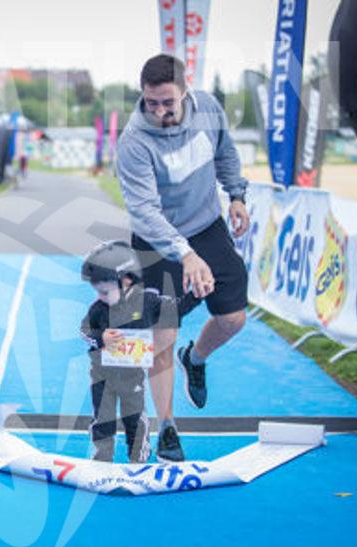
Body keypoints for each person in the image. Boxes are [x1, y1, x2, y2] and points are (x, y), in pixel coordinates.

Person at [116, 54, 251, 462]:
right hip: (157, 241)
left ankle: (195, 359)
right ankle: (168, 428)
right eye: (151, 103)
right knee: (162, 334)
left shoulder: (208, 108)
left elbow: (225, 153)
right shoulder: (134, 142)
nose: (159, 112)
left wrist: (237, 195)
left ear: (185, 91)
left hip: (207, 227)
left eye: (167, 103)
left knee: (233, 319)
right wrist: (186, 254)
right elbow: (145, 212)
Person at [79, 240, 178, 463]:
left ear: (126, 281)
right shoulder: (98, 309)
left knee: (134, 418)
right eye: (98, 292)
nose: (100, 296)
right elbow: (84, 331)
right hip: (102, 376)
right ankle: (102, 455)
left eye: (105, 291)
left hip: (132, 376)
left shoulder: (147, 302)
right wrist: (100, 338)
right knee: (102, 418)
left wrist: (192, 296)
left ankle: (138, 456)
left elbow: (174, 306)